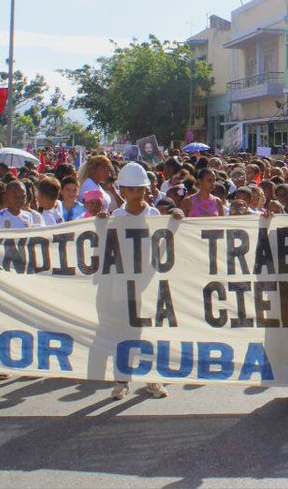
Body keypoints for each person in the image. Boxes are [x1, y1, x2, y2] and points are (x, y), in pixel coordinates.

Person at [109, 162, 170, 400]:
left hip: (148, 283)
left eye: (141, 189)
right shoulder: (116, 216)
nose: (137, 194)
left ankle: (152, 379)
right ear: (122, 191)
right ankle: (122, 380)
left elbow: (164, 245)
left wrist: (175, 221)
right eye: (132, 189)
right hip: (123, 284)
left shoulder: (154, 215)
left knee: (149, 332)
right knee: (124, 333)